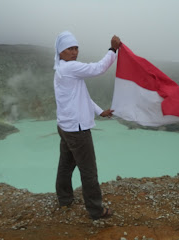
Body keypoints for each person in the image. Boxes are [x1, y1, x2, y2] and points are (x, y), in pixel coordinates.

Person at [53, 31, 120, 220]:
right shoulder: (70, 68)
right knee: (89, 171)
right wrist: (112, 50)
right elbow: (98, 68)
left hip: (65, 127)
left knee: (66, 165)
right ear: (60, 52)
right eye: (69, 49)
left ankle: (64, 199)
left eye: (76, 48)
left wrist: (100, 112)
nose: (74, 52)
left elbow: (82, 97)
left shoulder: (60, 69)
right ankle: (96, 211)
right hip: (77, 130)